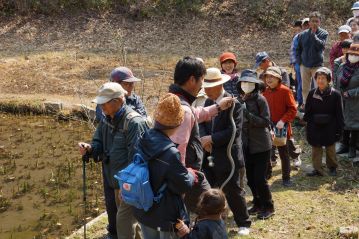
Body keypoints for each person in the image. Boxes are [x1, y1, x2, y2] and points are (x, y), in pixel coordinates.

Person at [78, 82, 148, 239]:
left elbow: (138, 160)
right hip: (115, 182)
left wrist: (128, 187)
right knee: (131, 224)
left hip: (130, 185)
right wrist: (90, 149)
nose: (101, 106)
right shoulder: (106, 119)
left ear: (118, 101)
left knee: (123, 224)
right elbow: (98, 142)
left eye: (104, 102)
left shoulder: (134, 123)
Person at [168, 56, 235, 213]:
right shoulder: (183, 108)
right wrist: (182, 180)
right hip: (187, 173)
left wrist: (217, 108)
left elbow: (193, 113)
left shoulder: (173, 99)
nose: (202, 87)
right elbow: (179, 148)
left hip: (179, 172)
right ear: (192, 80)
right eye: (201, 81)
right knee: (212, 210)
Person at [132, 93, 195, 239]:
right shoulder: (171, 153)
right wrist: (190, 174)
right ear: (178, 124)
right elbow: (183, 185)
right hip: (165, 214)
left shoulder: (142, 138)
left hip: (143, 208)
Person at [199, 67, 251, 236]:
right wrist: (204, 139)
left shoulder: (233, 104)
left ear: (218, 86)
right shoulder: (207, 103)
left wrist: (211, 139)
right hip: (210, 154)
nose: (205, 90)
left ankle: (243, 222)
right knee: (211, 189)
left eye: (208, 87)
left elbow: (233, 131)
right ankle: (215, 219)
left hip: (228, 156)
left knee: (233, 190)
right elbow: (201, 124)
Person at [237, 69, 274, 219]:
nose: (246, 85)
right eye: (244, 82)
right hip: (246, 145)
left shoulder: (260, 100)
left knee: (260, 178)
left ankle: (269, 206)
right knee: (251, 179)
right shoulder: (240, 100)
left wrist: (248, 114)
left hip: (261, 145)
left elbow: (265, 121)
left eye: (250, 83)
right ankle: (258, 203)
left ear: (255, 84)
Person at [304, 67, 344, 176]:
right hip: (314, 124)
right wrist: (307, 125)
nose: (320, 81)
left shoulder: (335, 94)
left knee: (330, 148)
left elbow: (339, 113)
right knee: (316, 148)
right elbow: (308, 111)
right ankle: (317, 169)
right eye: (318, 78)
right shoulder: (312, 93)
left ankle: (332, 167)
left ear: (328, 80)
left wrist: (340, 129)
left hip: (330, 125)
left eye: (323, 78)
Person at [263, 67, 297, 187]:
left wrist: (283, 120)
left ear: (278, 78)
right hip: (268, 127)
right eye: (267, 76)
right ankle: (267, 174)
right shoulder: (264, 92)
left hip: (282, 127)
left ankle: (286, 178)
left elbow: (293, 109)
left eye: (272, 76)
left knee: (284, 153)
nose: (269, 79)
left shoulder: (285, 91)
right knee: (267, 152)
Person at [296, 11, 329, 104]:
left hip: (317, 65)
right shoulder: (302, 34)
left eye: (316, 21)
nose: (314, 23)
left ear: (320, 22)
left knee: (319, 86)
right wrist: (299, 62)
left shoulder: (324, 33)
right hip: (304, 65)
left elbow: (321, 46)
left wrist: (314, 35)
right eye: (312, 21)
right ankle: (306, 104)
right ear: (309, 22)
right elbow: (298, 49)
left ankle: (318, 104)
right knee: (305, 87)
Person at [336, 36, 359, 158]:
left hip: (355, 101)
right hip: (342, 99)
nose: (353, 57)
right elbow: (336, 82)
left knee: (355, 124)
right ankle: (344, 144)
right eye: (351, 54)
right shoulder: (342, 67)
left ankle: (352, 147)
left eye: (356, 55)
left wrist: (352, 93)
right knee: (344, 121)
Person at [290, 19, 304, 107]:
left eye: (299, 29)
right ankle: (300, 100)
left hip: (304, 62)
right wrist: (293, 62)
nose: (297, 31)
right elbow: (292, 51)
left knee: (302, 82)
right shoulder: (296, 37)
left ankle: (301, 100)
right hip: (298, 63)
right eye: (296, 30)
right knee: (299, 82)